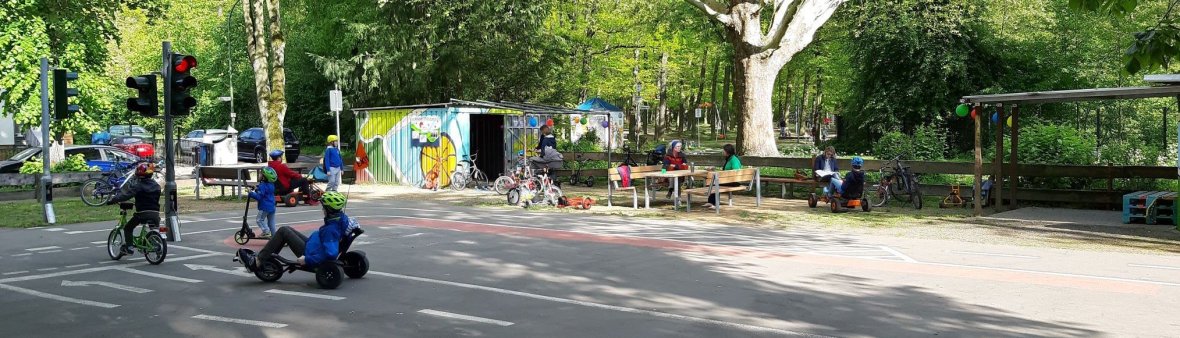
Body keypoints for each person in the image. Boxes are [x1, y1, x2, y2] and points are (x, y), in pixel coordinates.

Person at [242, 191, 359, 271]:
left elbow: (331, 253)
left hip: (309, 253)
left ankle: (257, 262)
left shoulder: (330, 230)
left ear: (329, 209)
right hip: (314, 246)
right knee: (286, 229)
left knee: (283, 231)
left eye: (324, 207)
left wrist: (307, 259)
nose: (322, 209)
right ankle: (266, 256)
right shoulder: (341, 219)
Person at [105, 163, 161, 255]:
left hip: (142, 213)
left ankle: (129, 247)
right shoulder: (156, 186)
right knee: (154, 228)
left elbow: (125, 196)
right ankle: (156, 243)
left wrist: (113, 200)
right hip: (155, 213)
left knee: (128, 228)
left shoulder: (138, 186)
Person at [704, 144, 742, 210]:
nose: (722, 152)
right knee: (712, 181)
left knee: (713, 182)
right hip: (728, 179)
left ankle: (715, 203)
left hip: (734, 181)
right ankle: (711, 202)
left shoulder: (734, 159)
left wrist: (725, 175)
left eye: (724, 150)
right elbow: (725, 171)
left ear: (727, 151)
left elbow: (736, 171)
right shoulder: (730, 158)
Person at [247, 167, 278, 238]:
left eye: (261, 174)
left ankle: (266, 231)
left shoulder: (263, 185)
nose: (259, 175)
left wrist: (251, 193)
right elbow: (265, 192)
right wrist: (257, 188)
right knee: (271, 223)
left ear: (264, 177)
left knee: (259, 220)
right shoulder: (271, 185)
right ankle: (275, 237)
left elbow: (259, 197)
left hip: (265, 207)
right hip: (272, 206)